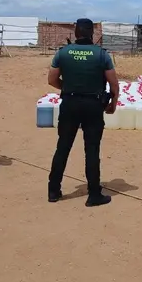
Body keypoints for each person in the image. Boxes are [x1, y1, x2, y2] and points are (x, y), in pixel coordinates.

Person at [47, 18, 119, 207]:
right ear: (92, 34)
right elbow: (113, 84)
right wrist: (113, 104)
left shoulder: (63, 53)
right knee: (92, 150)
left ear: (76, 33)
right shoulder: (101, 55)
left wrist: (67, 87)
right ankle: (94, 194)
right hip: (93, 106)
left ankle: (53, 190)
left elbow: (52, 79)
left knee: (63, 147)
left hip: (70, 103)